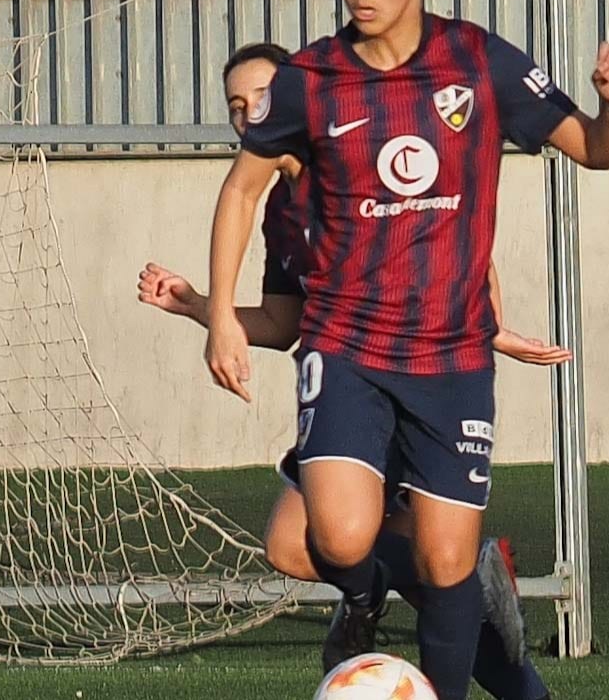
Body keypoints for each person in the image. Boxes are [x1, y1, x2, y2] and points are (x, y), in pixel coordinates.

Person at [201, 0, 609, 700]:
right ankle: (360, 598)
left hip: (452, 356)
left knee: (444, 563)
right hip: (347, 344)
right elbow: (241, 189)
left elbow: (597, 150)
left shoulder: (478, 60)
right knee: (334, 532)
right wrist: (219, 315)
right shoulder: (311, 78)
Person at [141, 42, 560, 699]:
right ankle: (399, 597)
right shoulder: (282, 207)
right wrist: (200, 307)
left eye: (263, 97)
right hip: (344, 391)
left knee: (418, 569)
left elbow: (457, 244)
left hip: (411, 385)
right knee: (314, 551)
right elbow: (285, 323)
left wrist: (489, 328)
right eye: (237, 106)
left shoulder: (354, 164)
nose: (252, 113)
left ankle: (424, 601)